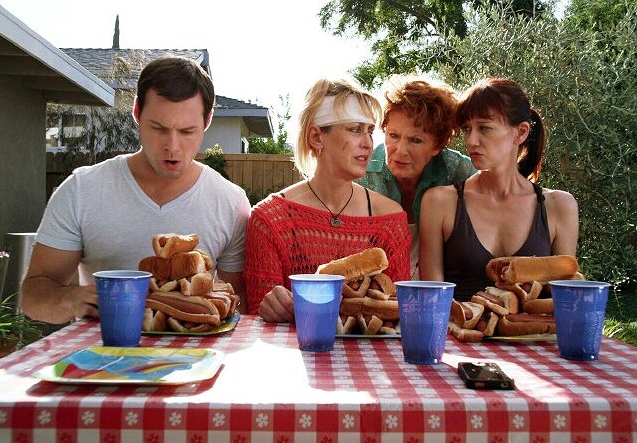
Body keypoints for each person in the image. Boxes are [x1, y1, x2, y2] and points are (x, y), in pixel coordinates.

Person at [22, 56, 251, 324]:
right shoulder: (81, 191)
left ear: (207, 120)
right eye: (158, 128)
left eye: (187, 131)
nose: (172, 146)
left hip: (196, 349)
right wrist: (70, 299)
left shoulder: (231, 202)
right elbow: (33, 295)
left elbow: (238, 304)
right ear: (137, 112)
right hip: (104, 348)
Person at [244, 78, 411, 323]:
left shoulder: (390, 221)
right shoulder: (270, 220)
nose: (367, 143)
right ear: (316, 137)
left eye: (369, 131)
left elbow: (399, 313)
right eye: (355, 129)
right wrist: (270, 308)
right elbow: (257, 318)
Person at [419, 78, 579, 301]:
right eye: (467, 129)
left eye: (484, 128)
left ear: (521, 133)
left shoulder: (560, 206)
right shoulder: (439, 202)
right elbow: (431, 301)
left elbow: (564, 300)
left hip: (533, 325)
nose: (471, 141)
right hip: (455, 324)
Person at [357, 76, 475, 278]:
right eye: (393, 136)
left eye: (416, 140)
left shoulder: (459, 172)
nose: (401, 150)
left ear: (438, 145)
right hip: (377, 288)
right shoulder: (362, 173)